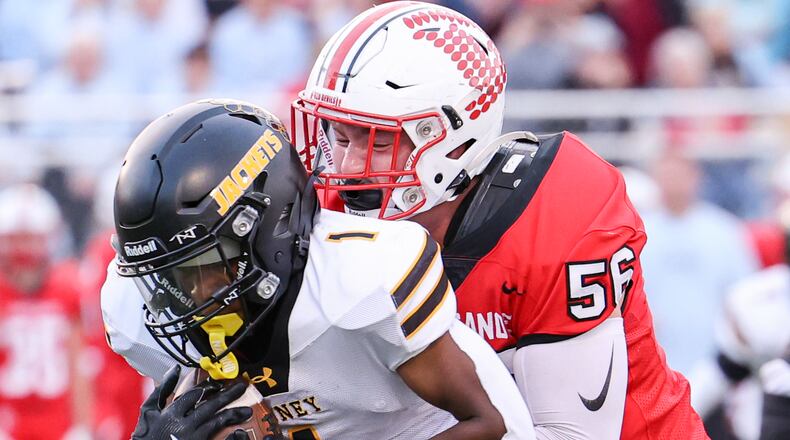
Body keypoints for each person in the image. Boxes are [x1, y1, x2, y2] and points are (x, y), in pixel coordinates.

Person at [290, 2, 707, 438]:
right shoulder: (328, 208)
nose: (347, 166)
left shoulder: (557, 214)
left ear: (453, 141)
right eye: (338, 136)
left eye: (378, 143)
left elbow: (571, 434)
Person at [105, 98, 535, 439]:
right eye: (163, 279)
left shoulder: (359, 284)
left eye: (201, 266)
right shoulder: (136, 319)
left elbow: (489, 423)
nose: (185, 300)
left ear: (266, 228)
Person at [0, 184, 91, 439]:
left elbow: (80, 363)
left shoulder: (68, 287)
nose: (23, 254)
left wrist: (83, 425)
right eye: (14, 242)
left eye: (30, 241)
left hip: (60, 425)